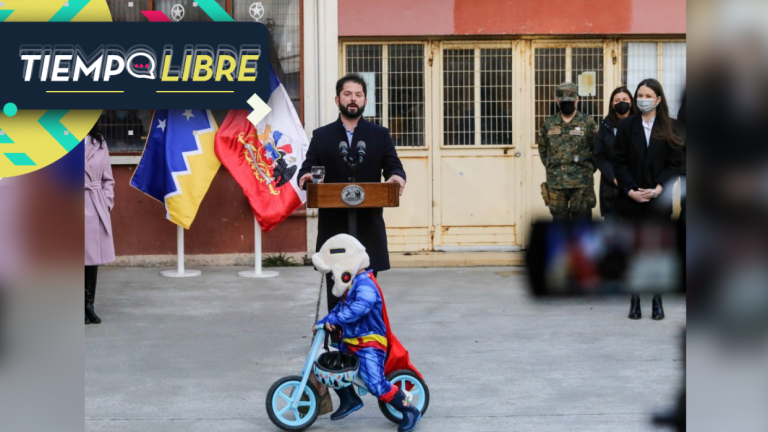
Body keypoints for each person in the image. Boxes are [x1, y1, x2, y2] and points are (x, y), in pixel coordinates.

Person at [298, 73, 406, 316]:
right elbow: (307, 169)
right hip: (334, 228)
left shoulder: (380, 135)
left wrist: (397, 177)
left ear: (365, 100)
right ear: (337, 100)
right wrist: (306, 179)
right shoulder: (322, 136)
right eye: (347, 94)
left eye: (358, 95)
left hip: (368, 226)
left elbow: (394, 167)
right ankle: (336, 340)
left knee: (366, 291)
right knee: (337, 287)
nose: (353, 99)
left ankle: (366, 341)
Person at [313, 234, 422, 432]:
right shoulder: (351, 287)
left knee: (375, 384)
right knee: (333, 366)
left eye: (333, 272)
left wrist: (336, 320)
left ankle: (409, 410)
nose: (332, 277)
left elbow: (361, 307)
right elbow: (339, 309)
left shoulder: (365, 285)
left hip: (369, 343)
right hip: (352, 341)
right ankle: (349, 399)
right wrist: (325, 321)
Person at [611, 78, 684, 320]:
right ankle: (634, 301)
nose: (642, 99)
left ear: (658, 99)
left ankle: (657, 300)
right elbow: (618, 162)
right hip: (631, 198)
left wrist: (659, 188)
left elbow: (675, 164)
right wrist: (630, 189)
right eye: (639, 95)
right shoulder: (626, 126)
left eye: (647, 95)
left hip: (657, 199)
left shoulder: (670, 128)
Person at [537, 82, 599, 221]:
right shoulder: (549, 123)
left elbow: (597, 149)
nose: (567, 104)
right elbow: (543, 148)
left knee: (582, 224)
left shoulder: (588, 123)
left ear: (577, 99)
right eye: (563, 101)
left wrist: (588, 169)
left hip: (582, 184)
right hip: (556, 183)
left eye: (570, 101)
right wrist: (552, 166)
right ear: (557, 101)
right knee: (559, 224)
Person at [84, 127, 116, 324]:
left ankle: (88, 304)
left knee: (92, 258)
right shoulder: (60, 138)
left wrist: (106, 203)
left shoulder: (99, 142)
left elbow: (108, 179)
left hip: (94, 204)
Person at [594, 86, 634, 218]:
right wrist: (614, 177)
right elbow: (599, 156)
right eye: (617, 100)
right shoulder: (605, 125)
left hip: (636, 185)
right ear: (612, 104)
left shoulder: (639, 123)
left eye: (624, 99)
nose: (621, 103)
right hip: (611, 186)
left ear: (631, 102)